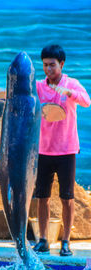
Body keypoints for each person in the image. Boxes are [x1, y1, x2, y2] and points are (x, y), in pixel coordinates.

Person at [33, 44, 91, 256]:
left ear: (62, 64)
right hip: (43, 150)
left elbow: (87, 101)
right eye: (45, 65)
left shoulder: (71, 83)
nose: (48, 69)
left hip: (66, 150)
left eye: (52, 65)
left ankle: (65, 241)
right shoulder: (39, 86)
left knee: (67, 197)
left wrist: (69, 93)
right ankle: (43, 240)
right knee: (42, 197)